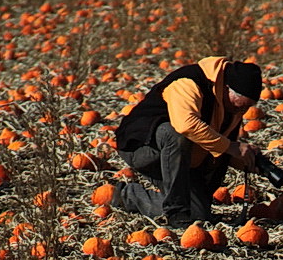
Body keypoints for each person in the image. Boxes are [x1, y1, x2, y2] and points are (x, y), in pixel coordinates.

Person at [112, 57, 263, 226]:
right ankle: (176, 212)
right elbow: (186, 125)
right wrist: (231, 147)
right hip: (142, 146)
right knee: (174, 133)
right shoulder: (190, 82)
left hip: (180, 159)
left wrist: (248, 161)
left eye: (247, 106)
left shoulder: (231, 107)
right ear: (227, 88)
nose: (242, 110)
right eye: (240, 105)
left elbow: (220, 146)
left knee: (198, 215)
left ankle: (128, 196)